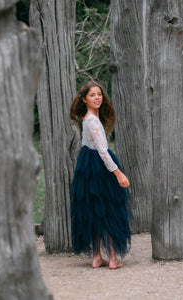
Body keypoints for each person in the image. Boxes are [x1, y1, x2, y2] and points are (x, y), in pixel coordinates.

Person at [70, 81, 131, 269]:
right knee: (109, 209)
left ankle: (97, 257)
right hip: (99, 166)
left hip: (87, 164)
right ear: (84, 99)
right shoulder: (93, 121)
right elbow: (103, 151)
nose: (97, 97)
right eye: (92, 95)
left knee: (94, 210)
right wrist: (119, 173)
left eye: (99, 94)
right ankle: (112, 258)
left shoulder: (87, 119)